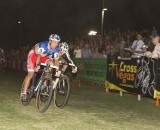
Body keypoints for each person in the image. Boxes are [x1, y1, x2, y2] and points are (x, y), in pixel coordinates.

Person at [21, 34, 61, 101]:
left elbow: (57, 61)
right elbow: (38, 57)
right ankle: (24, 93)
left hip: (43, 56)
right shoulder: (44, 45)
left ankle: (45, 77)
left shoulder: (56, 50)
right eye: (54, 42)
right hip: (33, 55)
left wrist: (57, 70)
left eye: (57, 42)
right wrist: (37, 66)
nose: (56, 44)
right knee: (31, 74)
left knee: (51, 63)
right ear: (50, 41)